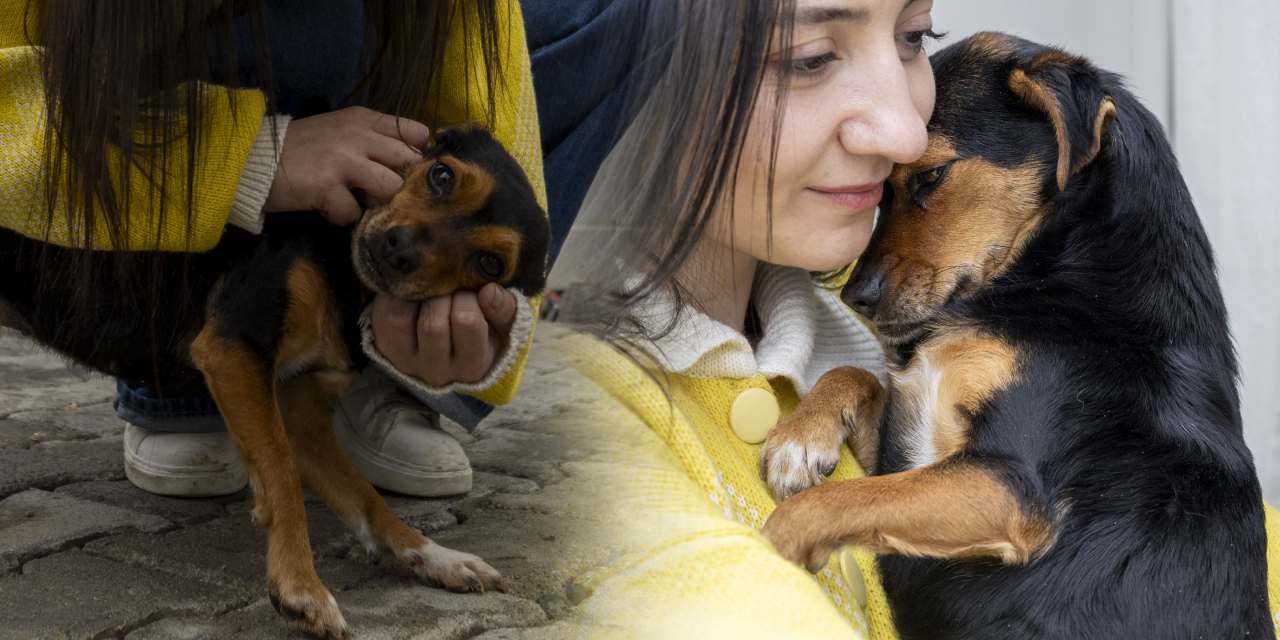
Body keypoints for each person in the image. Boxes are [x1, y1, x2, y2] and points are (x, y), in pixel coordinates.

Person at [547, 0, 1280, 638]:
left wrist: (815, 510)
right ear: (647, 80)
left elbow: (1006, 501)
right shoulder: (582, 418)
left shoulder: (1103, 387)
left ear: (1067, 137)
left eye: (916, 36)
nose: (903, 129)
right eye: (810, 56)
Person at [0, 0, 545, 498]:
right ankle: (181, 381)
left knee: (605, 18)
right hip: (101, 127)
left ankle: (387, 378)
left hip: (340, 227)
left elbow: (482, 110)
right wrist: (245, 157)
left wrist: (494, 322)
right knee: (319, 26)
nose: (414, 244)